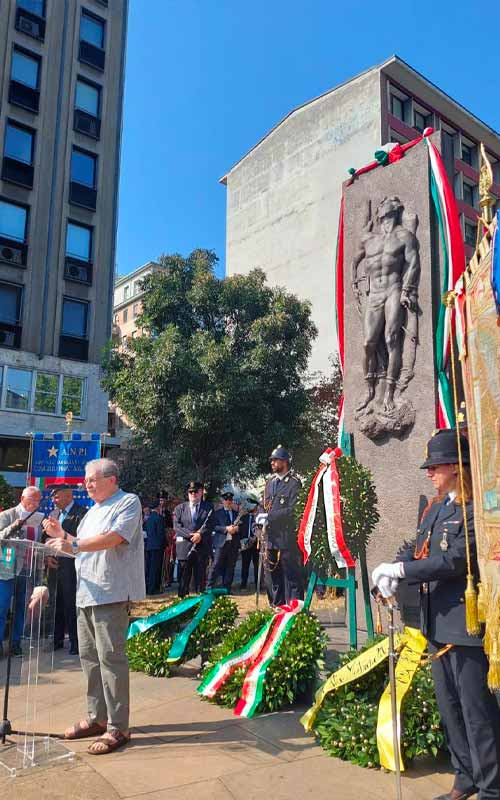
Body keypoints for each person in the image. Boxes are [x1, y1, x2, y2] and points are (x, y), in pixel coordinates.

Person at [372, 429, 500, 800]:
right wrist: (393, 570)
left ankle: (492, 789)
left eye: (436, 466)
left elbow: (455, 559)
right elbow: (417, 546)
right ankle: (465, 779)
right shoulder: (438, 507)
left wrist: (402, 572)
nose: (429, 472)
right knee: (451, 711)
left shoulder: (478, 509)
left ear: (457, 467)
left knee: (478, 715)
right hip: (435, 623)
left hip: (465, 627)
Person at [43, 457, 145, 755]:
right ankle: (97, 717)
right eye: (86, 480)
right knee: (89, 658)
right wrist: (62, 536)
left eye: (92, 479)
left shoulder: (128, 502)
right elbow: (82, 546)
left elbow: (114, 539)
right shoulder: (91, 513)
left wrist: (73, 544)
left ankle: (119, 726)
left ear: (111, 479)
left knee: (111, 659)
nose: (86, 484)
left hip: (111, 593)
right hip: (86, 592)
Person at [0, 486, 43, 659]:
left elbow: (38, 543)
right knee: (2, 607)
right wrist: (13, 526)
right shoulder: (7, 515)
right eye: (32, 500)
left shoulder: (39, 519)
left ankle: (15, 644)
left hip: (27, 568)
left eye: (38, 500)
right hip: (6, 567)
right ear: (22, 498)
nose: (35, 503)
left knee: (21, 608)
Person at [258, 446, 303, 606]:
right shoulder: (270, 483)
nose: (272, 463)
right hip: (270, 538)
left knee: (291, 577)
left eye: (275, 460)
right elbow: (264, 505)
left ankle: (294, 611)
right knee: (273, 577)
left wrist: (270, 517)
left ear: (285, 462)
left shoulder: (293, 484)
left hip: (286, 538)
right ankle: (276, 607)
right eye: (272, 460)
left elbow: (294, 510)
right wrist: (260, 515)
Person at [51, 484, 88, 655]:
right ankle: (57, 639)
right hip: (55, 566)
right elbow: (46, 538)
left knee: (71, 604)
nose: (53, 500)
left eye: (57, 497)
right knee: (56, 603)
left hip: (72, 566)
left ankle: (75, 641)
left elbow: (82, 540)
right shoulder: (54, 514)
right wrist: (47, 556)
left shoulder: (81, 513)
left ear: (67, 496)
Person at [173, 481, 214, 598]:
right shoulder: (179, 508)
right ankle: (181, 606)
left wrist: (200, 535)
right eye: (190, 492)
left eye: (196, 491)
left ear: (201, 492)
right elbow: (177, 526)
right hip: (184, 549)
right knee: (183, 581)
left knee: (200, 580)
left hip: (202, 548)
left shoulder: (208, 507)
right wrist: (192, 536)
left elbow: (210, 523)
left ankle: (200, 604)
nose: (193, 494)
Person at [207, 488, 240, 593]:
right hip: (220, 543)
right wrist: (226, 529)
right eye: (226, 499)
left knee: (231, 566)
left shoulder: (236, 513)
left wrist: (237, 529)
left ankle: (227, 588)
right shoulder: (217, 513)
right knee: (216, 565)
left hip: (233, 544)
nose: (228, 501)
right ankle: (209, 587)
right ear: (223, 501)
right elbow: (213, 526)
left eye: (230, 499)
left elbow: (242, 526)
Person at [144, 501, 166, 595]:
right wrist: (164, 544)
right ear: (158, 508)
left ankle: (148, 587)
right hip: (157, 546)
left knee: (149, 568)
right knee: (155, 568)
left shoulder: (148, 519)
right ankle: (153, 589)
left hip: (149, 546)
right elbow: (161, 534)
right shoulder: (159, 518)